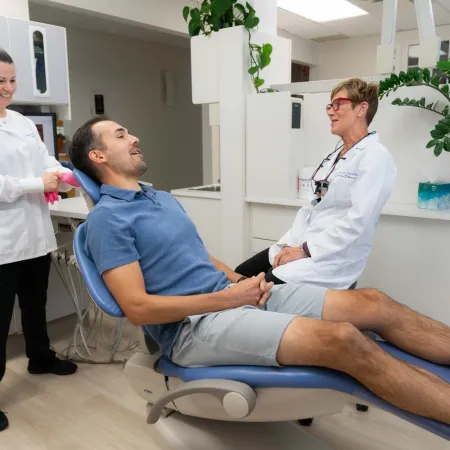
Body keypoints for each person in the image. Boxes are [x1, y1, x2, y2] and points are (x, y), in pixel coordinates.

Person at [69, 117, 450, 426]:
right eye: (121, 134)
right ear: (98, 155)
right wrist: (228, 298)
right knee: (344, 340)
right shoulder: (108, 220)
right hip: (193, 328)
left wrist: (241, 282)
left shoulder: (162, 199)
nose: (134, 136)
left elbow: (201, 258)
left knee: (374, 303)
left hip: (231, 298)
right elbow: (136, 308)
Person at [236, 78, 397, 289]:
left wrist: (303, 250)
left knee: (260, 287)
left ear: (361, 108)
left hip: (331, 259)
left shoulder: (375, 157)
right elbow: (312, 209)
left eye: (337, 104)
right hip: (303, 244)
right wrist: (288, 246)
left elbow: (357, 222)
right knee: (239, 274)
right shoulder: (335, 155)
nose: (330, 111)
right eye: (329, 106)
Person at [0, 49, 77, 432]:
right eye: (0, 81)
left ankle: (40, 357)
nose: (8, 88)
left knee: (35, 304)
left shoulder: (21, 121)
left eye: (12, 80)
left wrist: (67, 175)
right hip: (2, 243)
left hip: (34, 235)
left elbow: (45, 160)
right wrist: (37, 184)